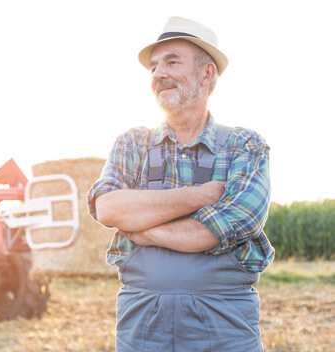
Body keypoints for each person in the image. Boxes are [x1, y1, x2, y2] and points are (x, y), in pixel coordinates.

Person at [87, 17, 274, 351]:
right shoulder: (131, 143)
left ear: (206, 74)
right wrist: (198, 196)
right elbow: (107, 207)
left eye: (172, 61)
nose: (159, 74)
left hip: (224, 325)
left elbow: (223, 227)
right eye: (154, 67)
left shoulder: (246, 146)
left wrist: (143, 229)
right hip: (144, 326)